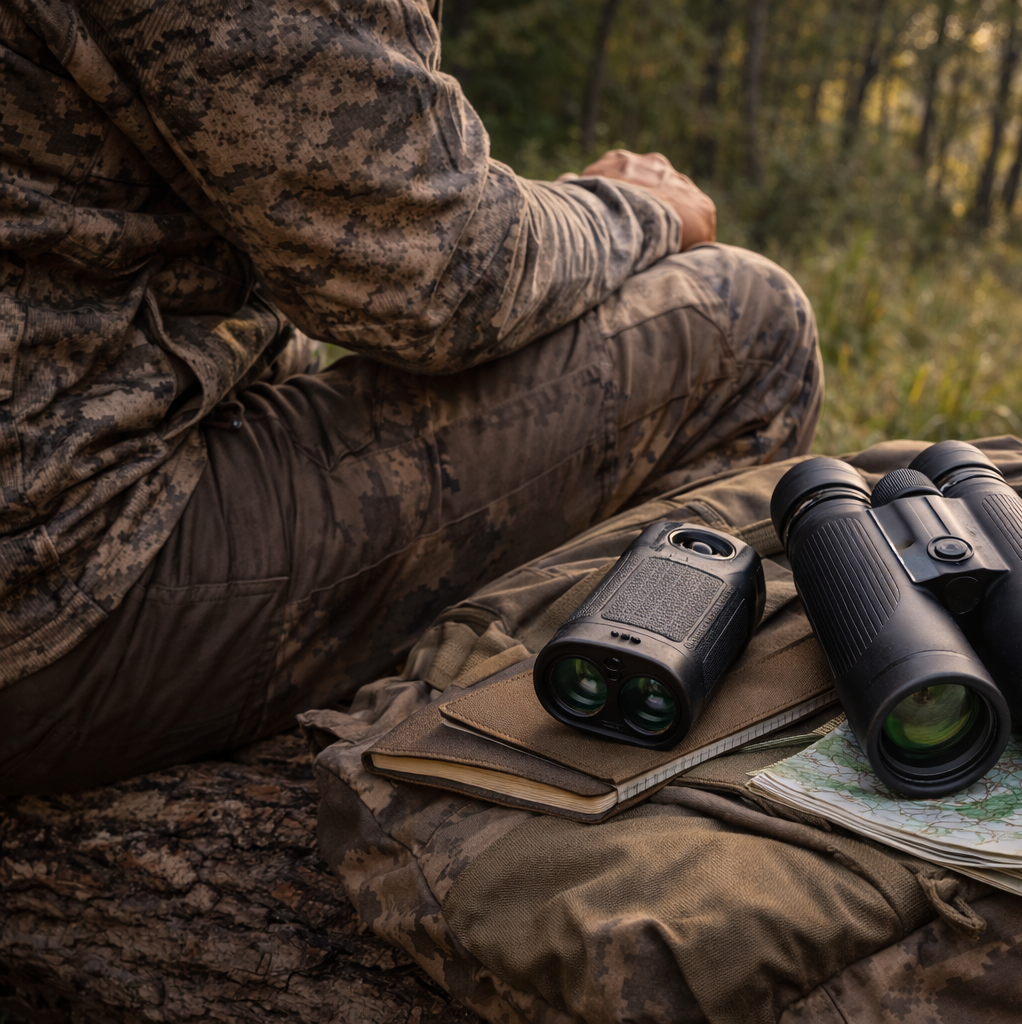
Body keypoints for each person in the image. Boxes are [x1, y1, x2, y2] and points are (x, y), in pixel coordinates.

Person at [0, 1, 822, 794]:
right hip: (56, 587)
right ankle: (550, 777)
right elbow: (441, 276)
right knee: (746, 319)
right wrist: (639, 208)